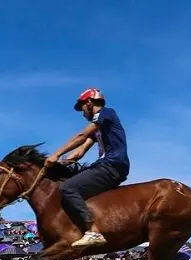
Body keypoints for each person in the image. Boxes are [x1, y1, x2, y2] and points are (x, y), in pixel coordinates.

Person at [44, 87, 129, 248]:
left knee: (68, 189)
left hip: (112, 164)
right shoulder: (98, 129)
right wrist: (58, 163)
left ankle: (93, 231)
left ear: (89, 102)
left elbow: (81, 135)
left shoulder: (106, 113)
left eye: (82, 107)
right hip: (108, 164)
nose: (83, 113)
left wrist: (56, 153)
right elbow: (78, 153)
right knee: (68, 181)